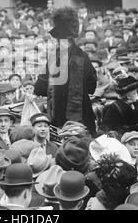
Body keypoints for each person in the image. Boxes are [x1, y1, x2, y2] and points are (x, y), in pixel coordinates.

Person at [35, 7, 97, 136]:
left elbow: (91, 82)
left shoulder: (81, 56)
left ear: (69, 40)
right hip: (57, 109)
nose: (58, 42)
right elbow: (43, 82)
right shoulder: (56, 56)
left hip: (78, 110)